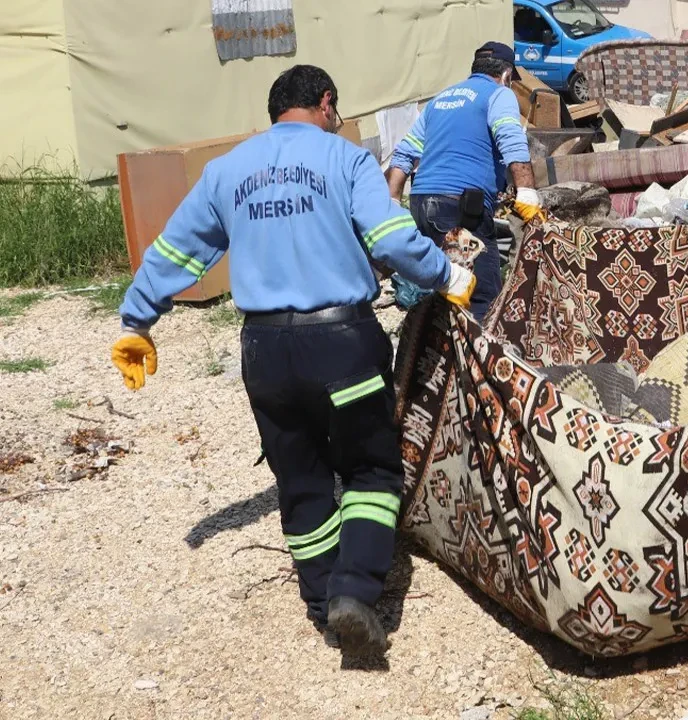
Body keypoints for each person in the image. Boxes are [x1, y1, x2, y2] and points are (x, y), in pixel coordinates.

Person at [110, 65, 475, 658]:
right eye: (337, 108)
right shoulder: (345, 159)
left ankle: (321, 601)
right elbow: (387, 237)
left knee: (301, 479)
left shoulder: (225, 171)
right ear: (326, 103)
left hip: (266, 354)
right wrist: (446, 273)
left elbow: (176, 251)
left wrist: (136, 320)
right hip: (343, 346)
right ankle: (355, 592)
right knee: (370, 472)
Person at [386, 42, 542, 322]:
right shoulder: (498, 94)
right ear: (506, 75)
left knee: (450, 283)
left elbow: (406, 152)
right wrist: (527, 192)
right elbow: (511, 139)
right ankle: (477, 360)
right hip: (460, 208)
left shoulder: (440, 99)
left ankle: (444, 350)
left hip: (423, 205)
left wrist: (393, 200)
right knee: (482, 291)